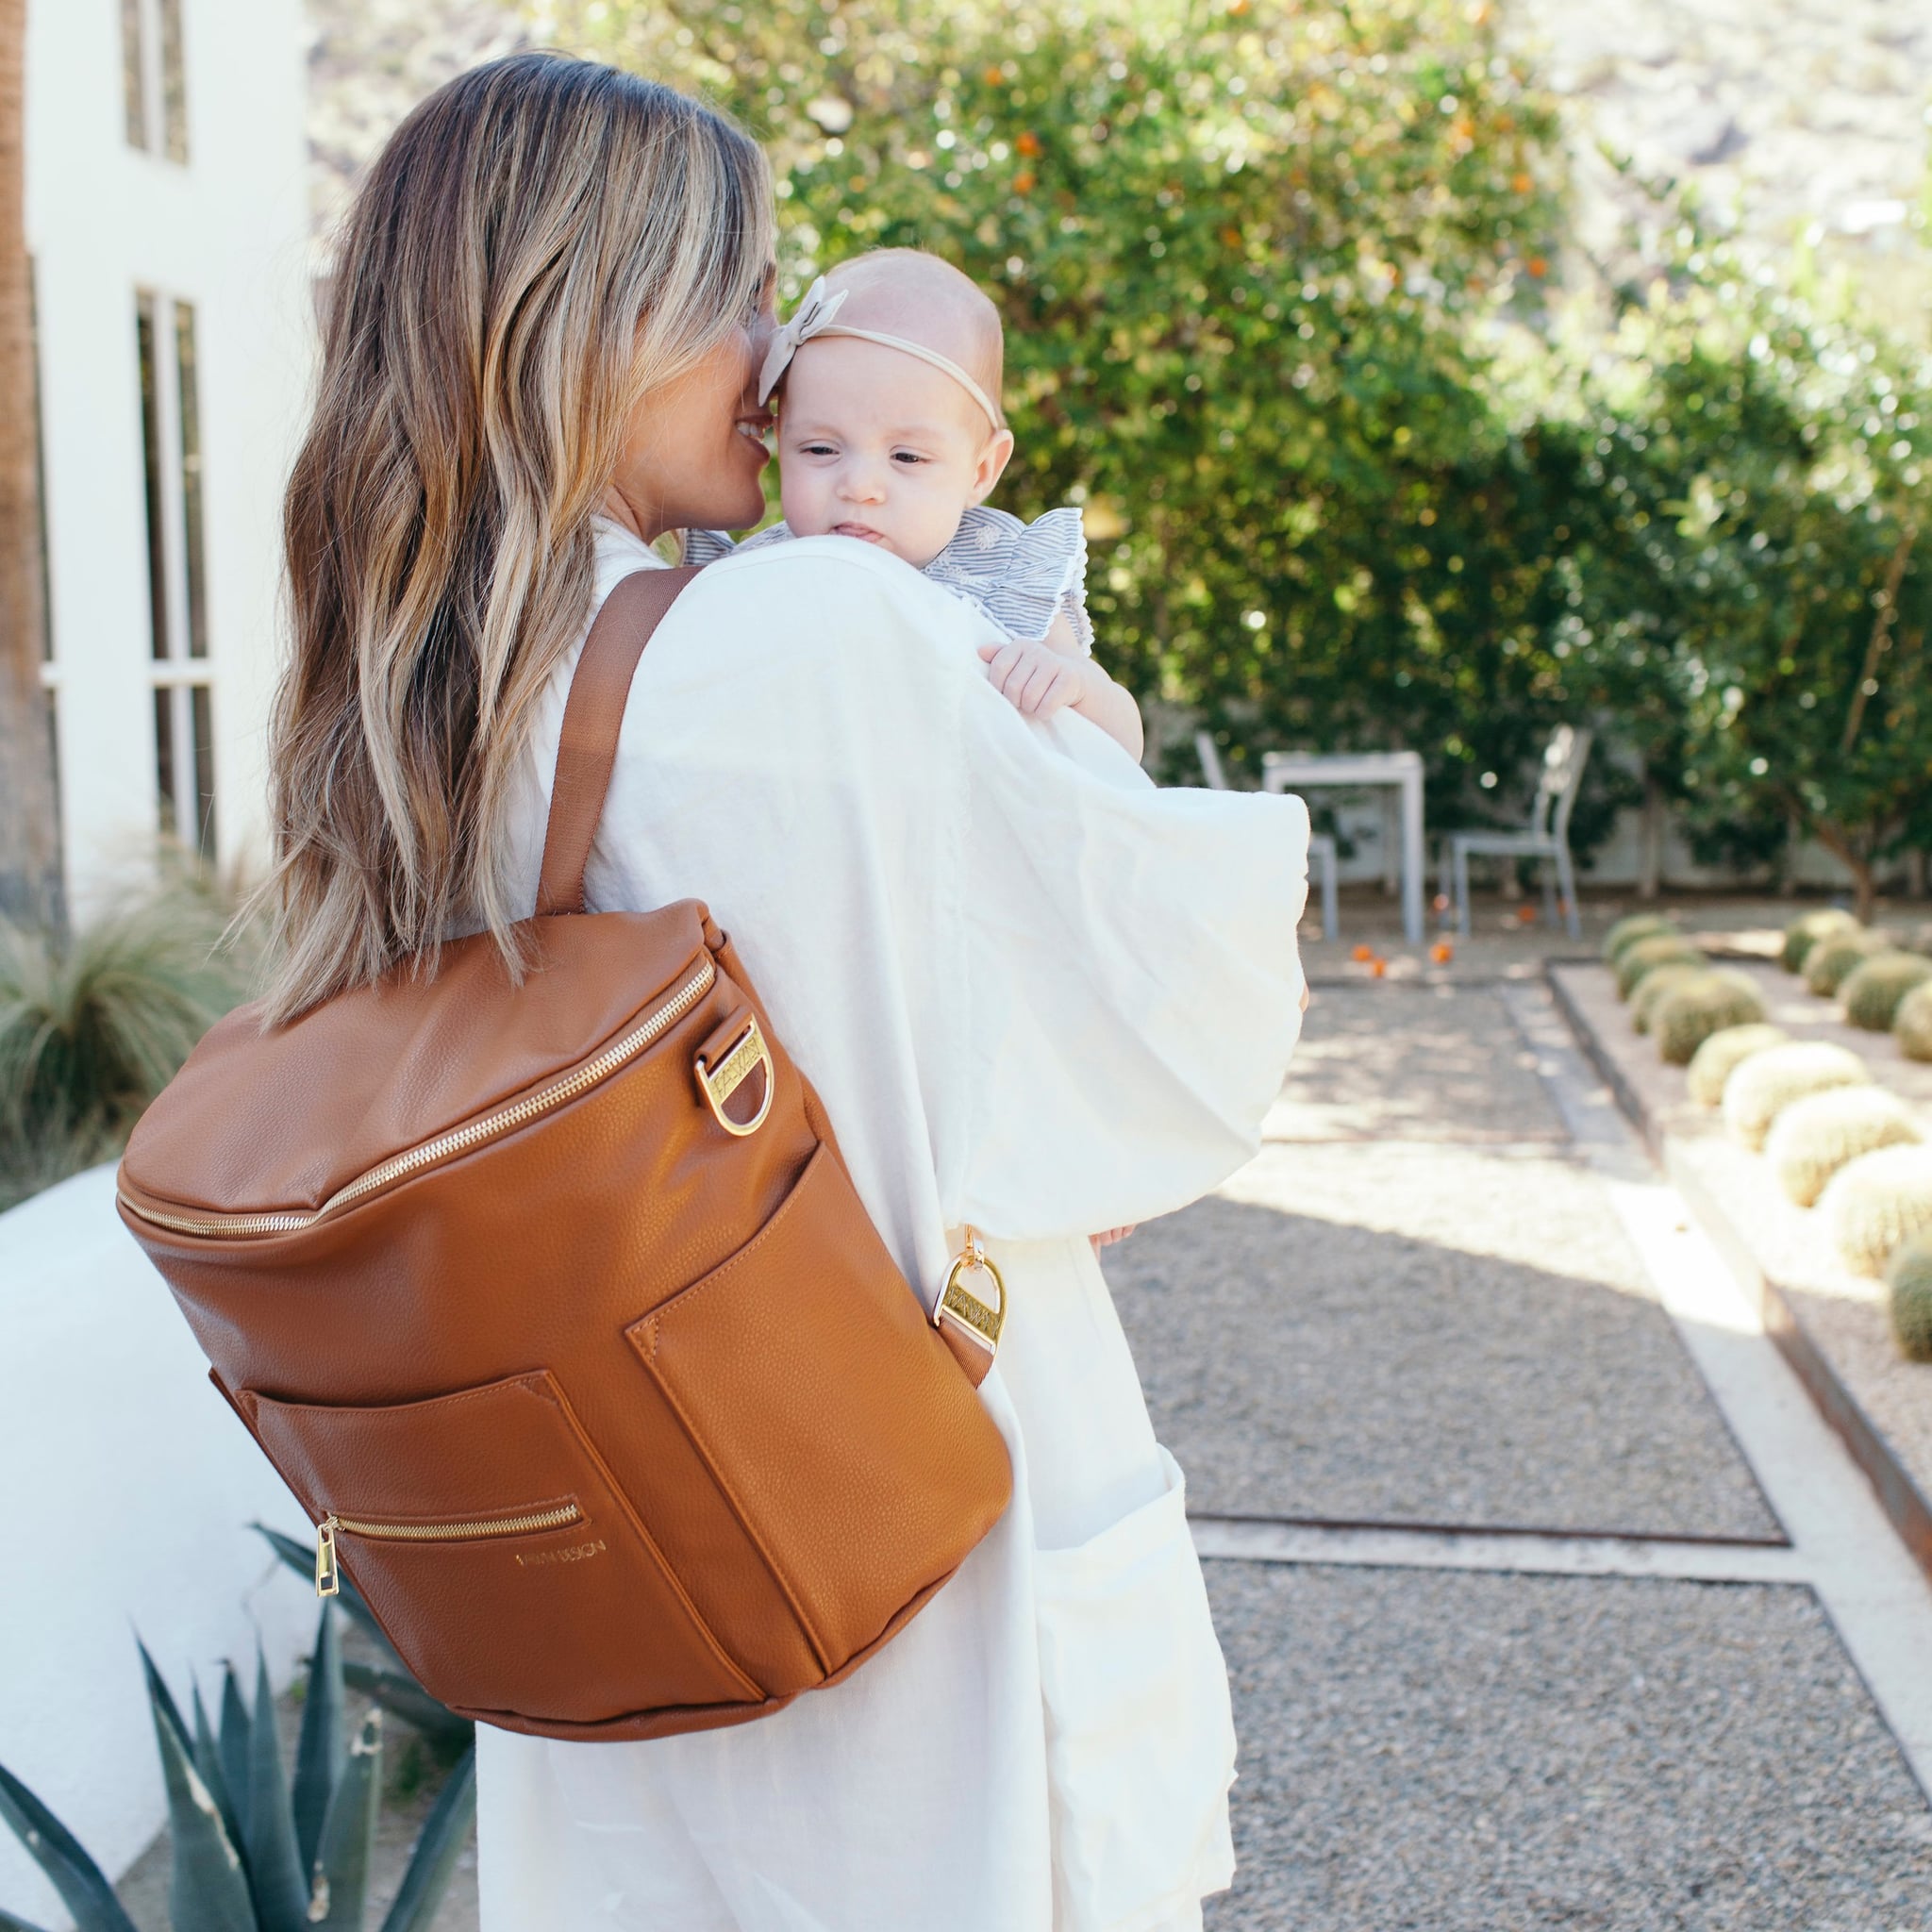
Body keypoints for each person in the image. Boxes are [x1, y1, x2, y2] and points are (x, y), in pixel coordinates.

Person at [264, 50, 1310, 1932]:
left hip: (621, 1566)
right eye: (743, 288)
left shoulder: (422, 696)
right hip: (898, 1514)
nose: (772, 358)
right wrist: (1108, 730)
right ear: (603, 322)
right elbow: (1163, 1032)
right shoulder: (820, 630)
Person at [686, 248, 1144, 759]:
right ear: (779, 440)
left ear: (981, 471)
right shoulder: (756, 573)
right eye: (819, 449)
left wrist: (1073, 681)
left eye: (906, 457)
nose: (860, 486)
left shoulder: (1003, 568)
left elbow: (1124, 744)